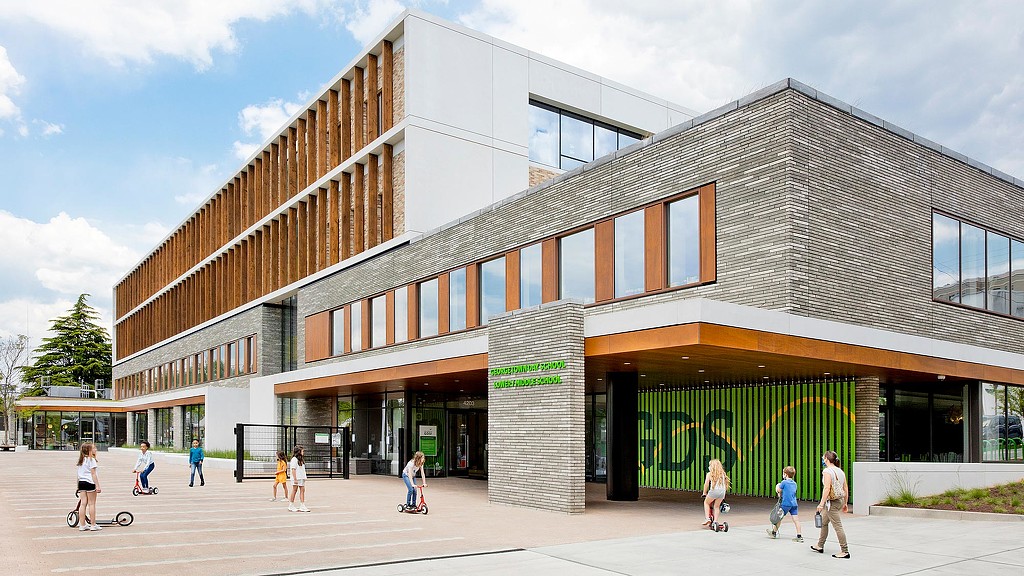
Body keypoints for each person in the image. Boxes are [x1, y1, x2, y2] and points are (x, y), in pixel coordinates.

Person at [810, 450, 851, 559]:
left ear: (827, 459)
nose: (823, 459)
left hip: (831, 503)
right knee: (824, 522)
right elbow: (845, 488)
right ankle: (820, 545)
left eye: (823, 457)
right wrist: (845, 503)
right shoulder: (840, 471)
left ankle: (845, 551)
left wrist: (821, 504)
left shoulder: (827, 471)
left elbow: (827, 488)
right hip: (839, 500)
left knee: (838, 526)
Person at [767, 465, 803, 542]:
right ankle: (799, 536)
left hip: (785, 504)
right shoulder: (794, 483)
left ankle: (774, 533)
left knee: (779, 518)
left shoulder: (784, 482)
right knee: (796, 520)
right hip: (794, 504)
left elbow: (779, 491)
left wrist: (777, 487)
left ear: (785, 474)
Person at [76, 443, 102, 531]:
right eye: (94, 448)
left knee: (83, 504)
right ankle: (93, 524)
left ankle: (82, 525)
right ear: (89, 451)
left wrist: (77, 486)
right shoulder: (91, 460)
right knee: (92, 504)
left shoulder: (81, 460)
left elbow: (78, 474)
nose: (96, 450)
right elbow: (93, 474)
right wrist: (97, 485)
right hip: (90, 482)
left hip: (81, 483)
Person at [700, 459, 730, 525]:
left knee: (706, 503)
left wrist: (704, 493)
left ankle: (707, 518)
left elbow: (706, 484)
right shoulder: (723, 474)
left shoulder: (709, 474)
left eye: (710, 465)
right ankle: (715, 521)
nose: (709, 467)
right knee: (716, 507)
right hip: (722, 492)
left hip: (714, 492)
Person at [287, 445, 310, 512]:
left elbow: (302, 469)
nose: (303, 452)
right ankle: (291, 505)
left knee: (302, 490)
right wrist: (295, 479)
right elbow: (293, 469)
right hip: (296, 478)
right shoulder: (294, 459)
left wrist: (304, 477)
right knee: (294, 490)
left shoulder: (301, 460)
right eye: (302, 451)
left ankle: (302, 505)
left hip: (301, 477)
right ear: (299, 452)